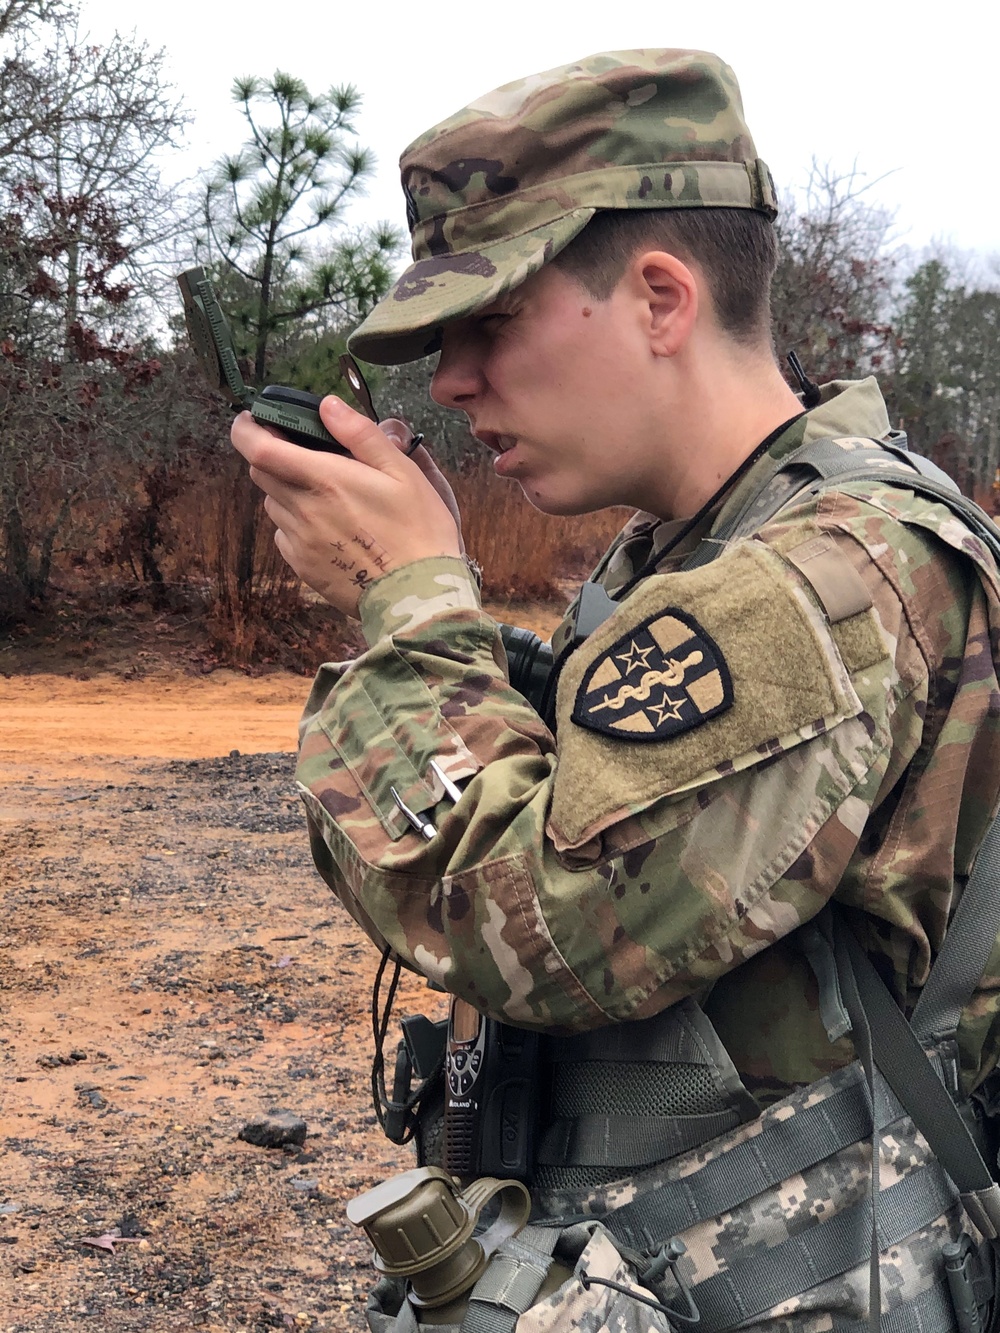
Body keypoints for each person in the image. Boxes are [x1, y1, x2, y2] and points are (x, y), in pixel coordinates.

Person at [231, 50, 1000, 1333]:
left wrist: (409, 603)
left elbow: (532, 925)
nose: (454, 380)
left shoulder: (823, 576)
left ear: (657, 297)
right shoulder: (695, 558)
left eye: (489, 324)